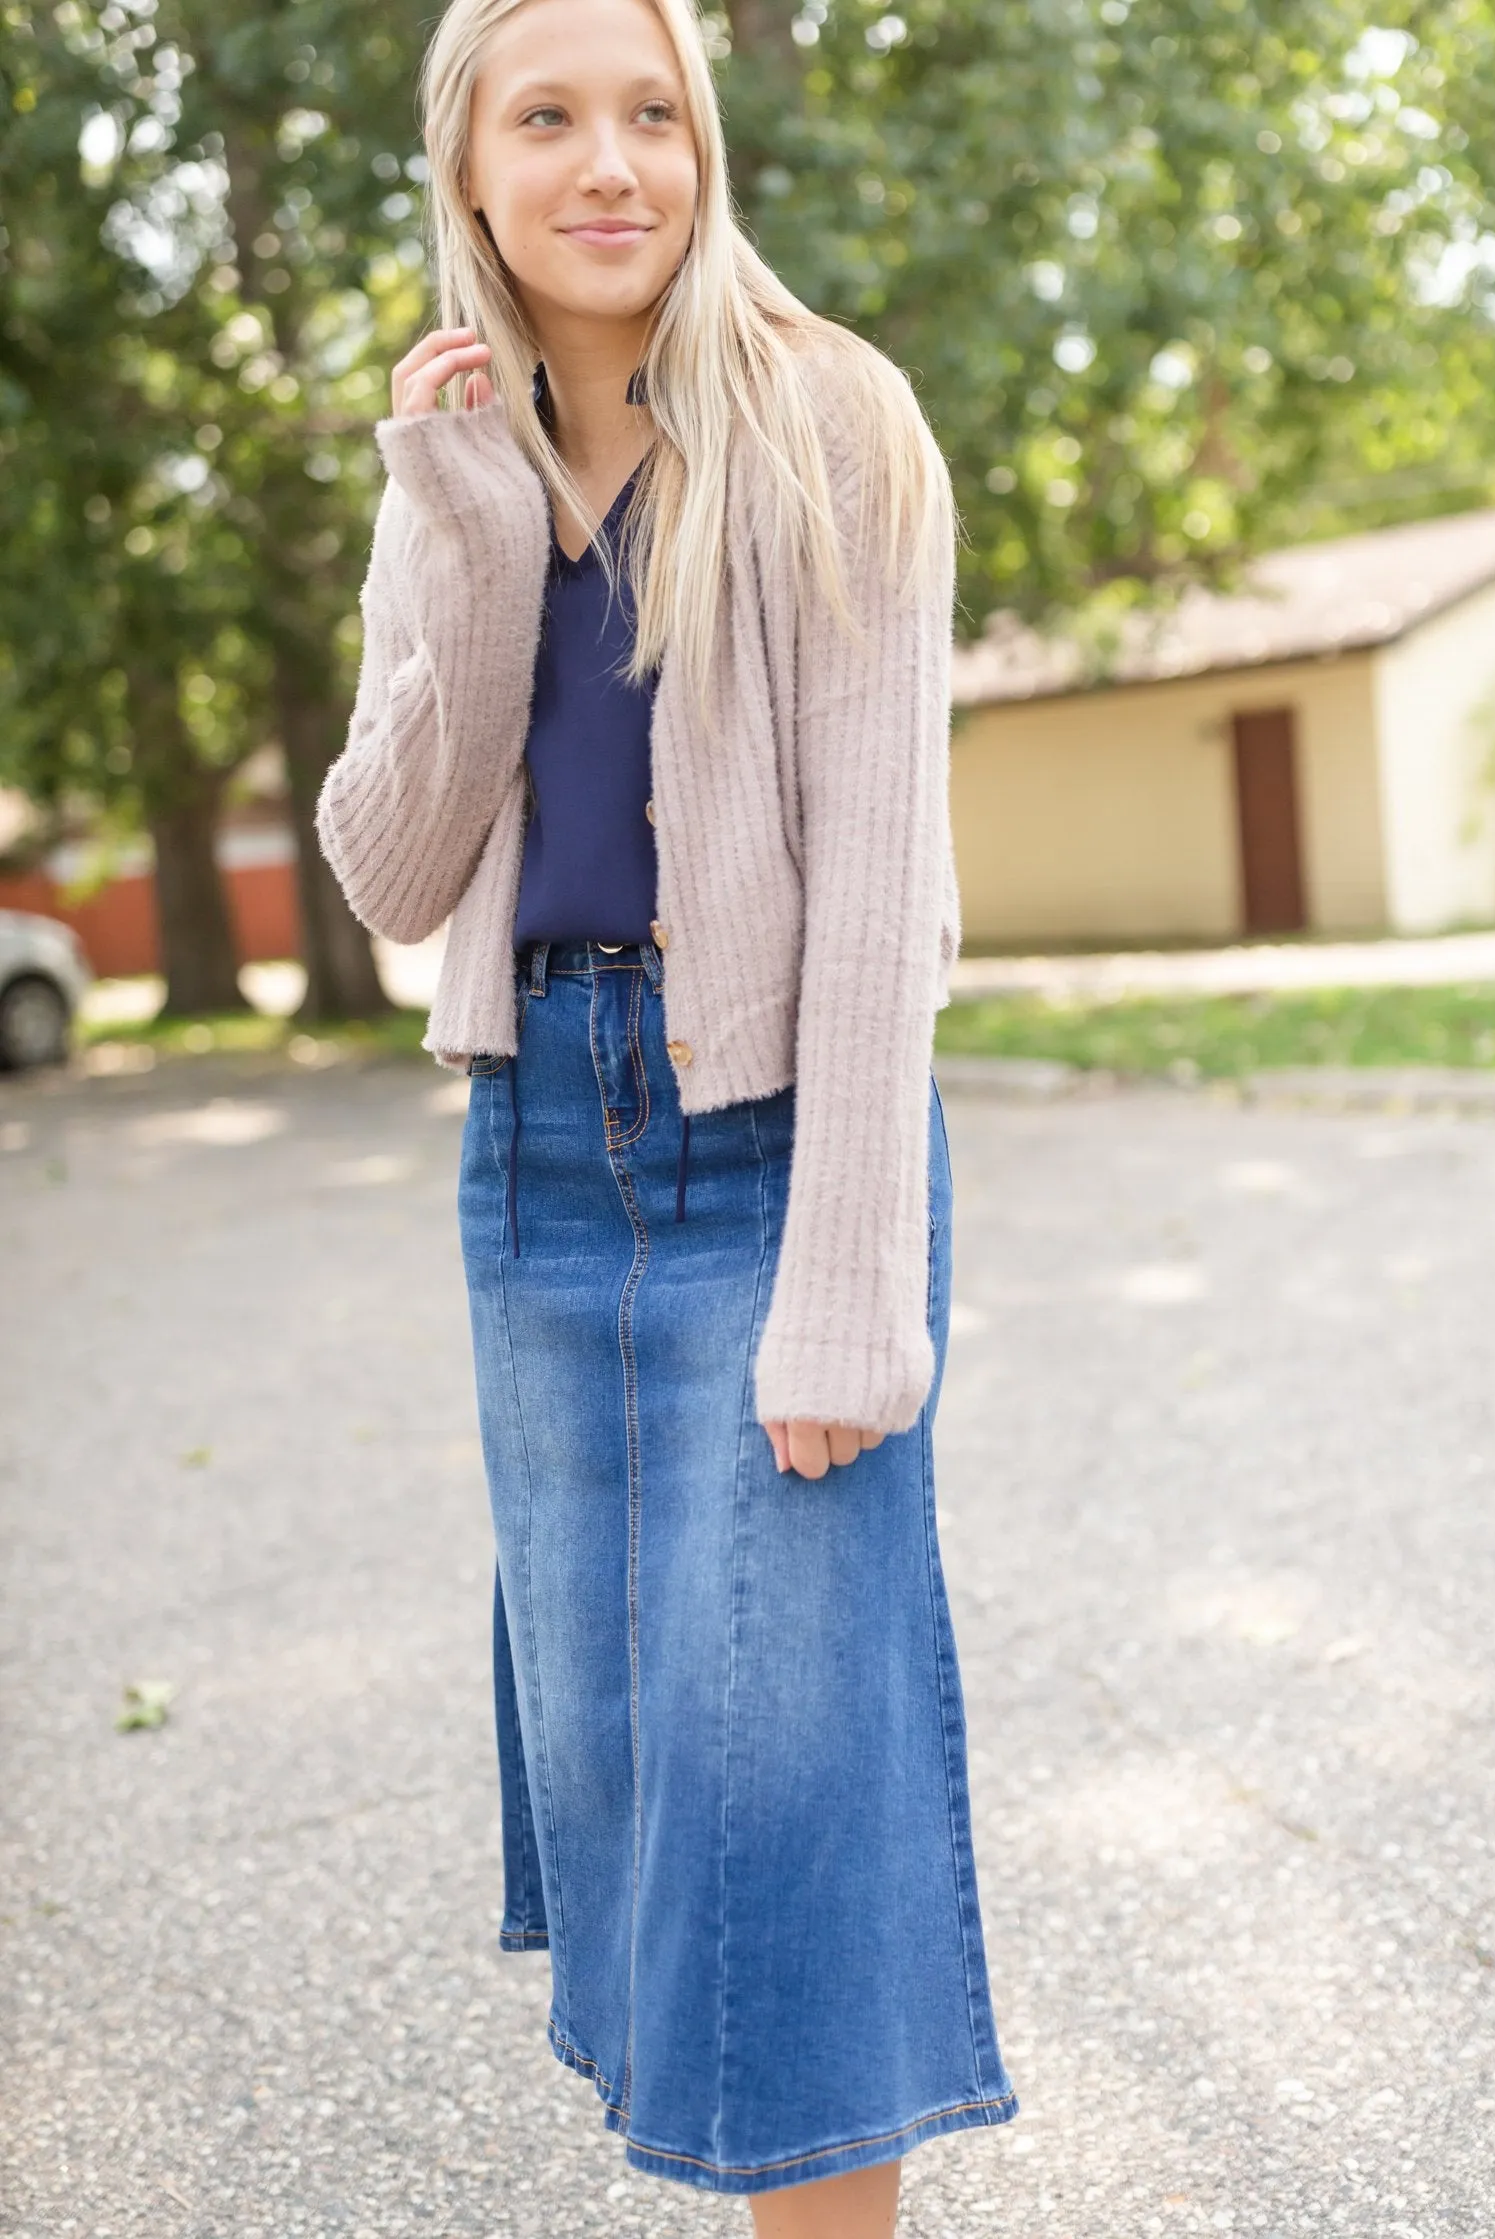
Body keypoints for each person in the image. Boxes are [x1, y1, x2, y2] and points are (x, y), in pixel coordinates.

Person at [314, 0, 1016, 2228]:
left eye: (651, 115)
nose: (609, 162)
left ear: (702, 151)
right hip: (539, 1159)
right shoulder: (462, 456)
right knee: (634, 1774)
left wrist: (847, 1294)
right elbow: (389, 869)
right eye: (551, 118)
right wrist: (457, 528)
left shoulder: (828, 419)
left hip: (771, 1146)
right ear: (473, 168)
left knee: (791, 1806)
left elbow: (888, 889)